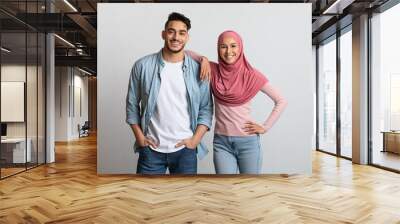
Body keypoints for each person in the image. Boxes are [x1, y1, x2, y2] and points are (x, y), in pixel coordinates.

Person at [187, 30, 287, 174]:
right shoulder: (213, 70)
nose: (229, 51)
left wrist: (265, 127)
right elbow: (186, 53)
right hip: (222, 143)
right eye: (223, 46)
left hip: (248, 143)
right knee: (227, 189)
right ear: (218, 49)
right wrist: (203, 59)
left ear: (240, 48)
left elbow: (281, 100)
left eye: (233, 46)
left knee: (249, 188)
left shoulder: (252, 75)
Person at [126, 12, 213, 175]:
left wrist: (195, 141)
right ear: (163, 34)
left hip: (185, 152)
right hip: (151, 150)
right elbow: (132, 104)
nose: (176, 37)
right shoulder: (142, 66)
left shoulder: (199, 69)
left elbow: (206, 108)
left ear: (187, 37)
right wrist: (139, 137)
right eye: (171, 31)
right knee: (145, 197)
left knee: (184, 200)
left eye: (182, 33)